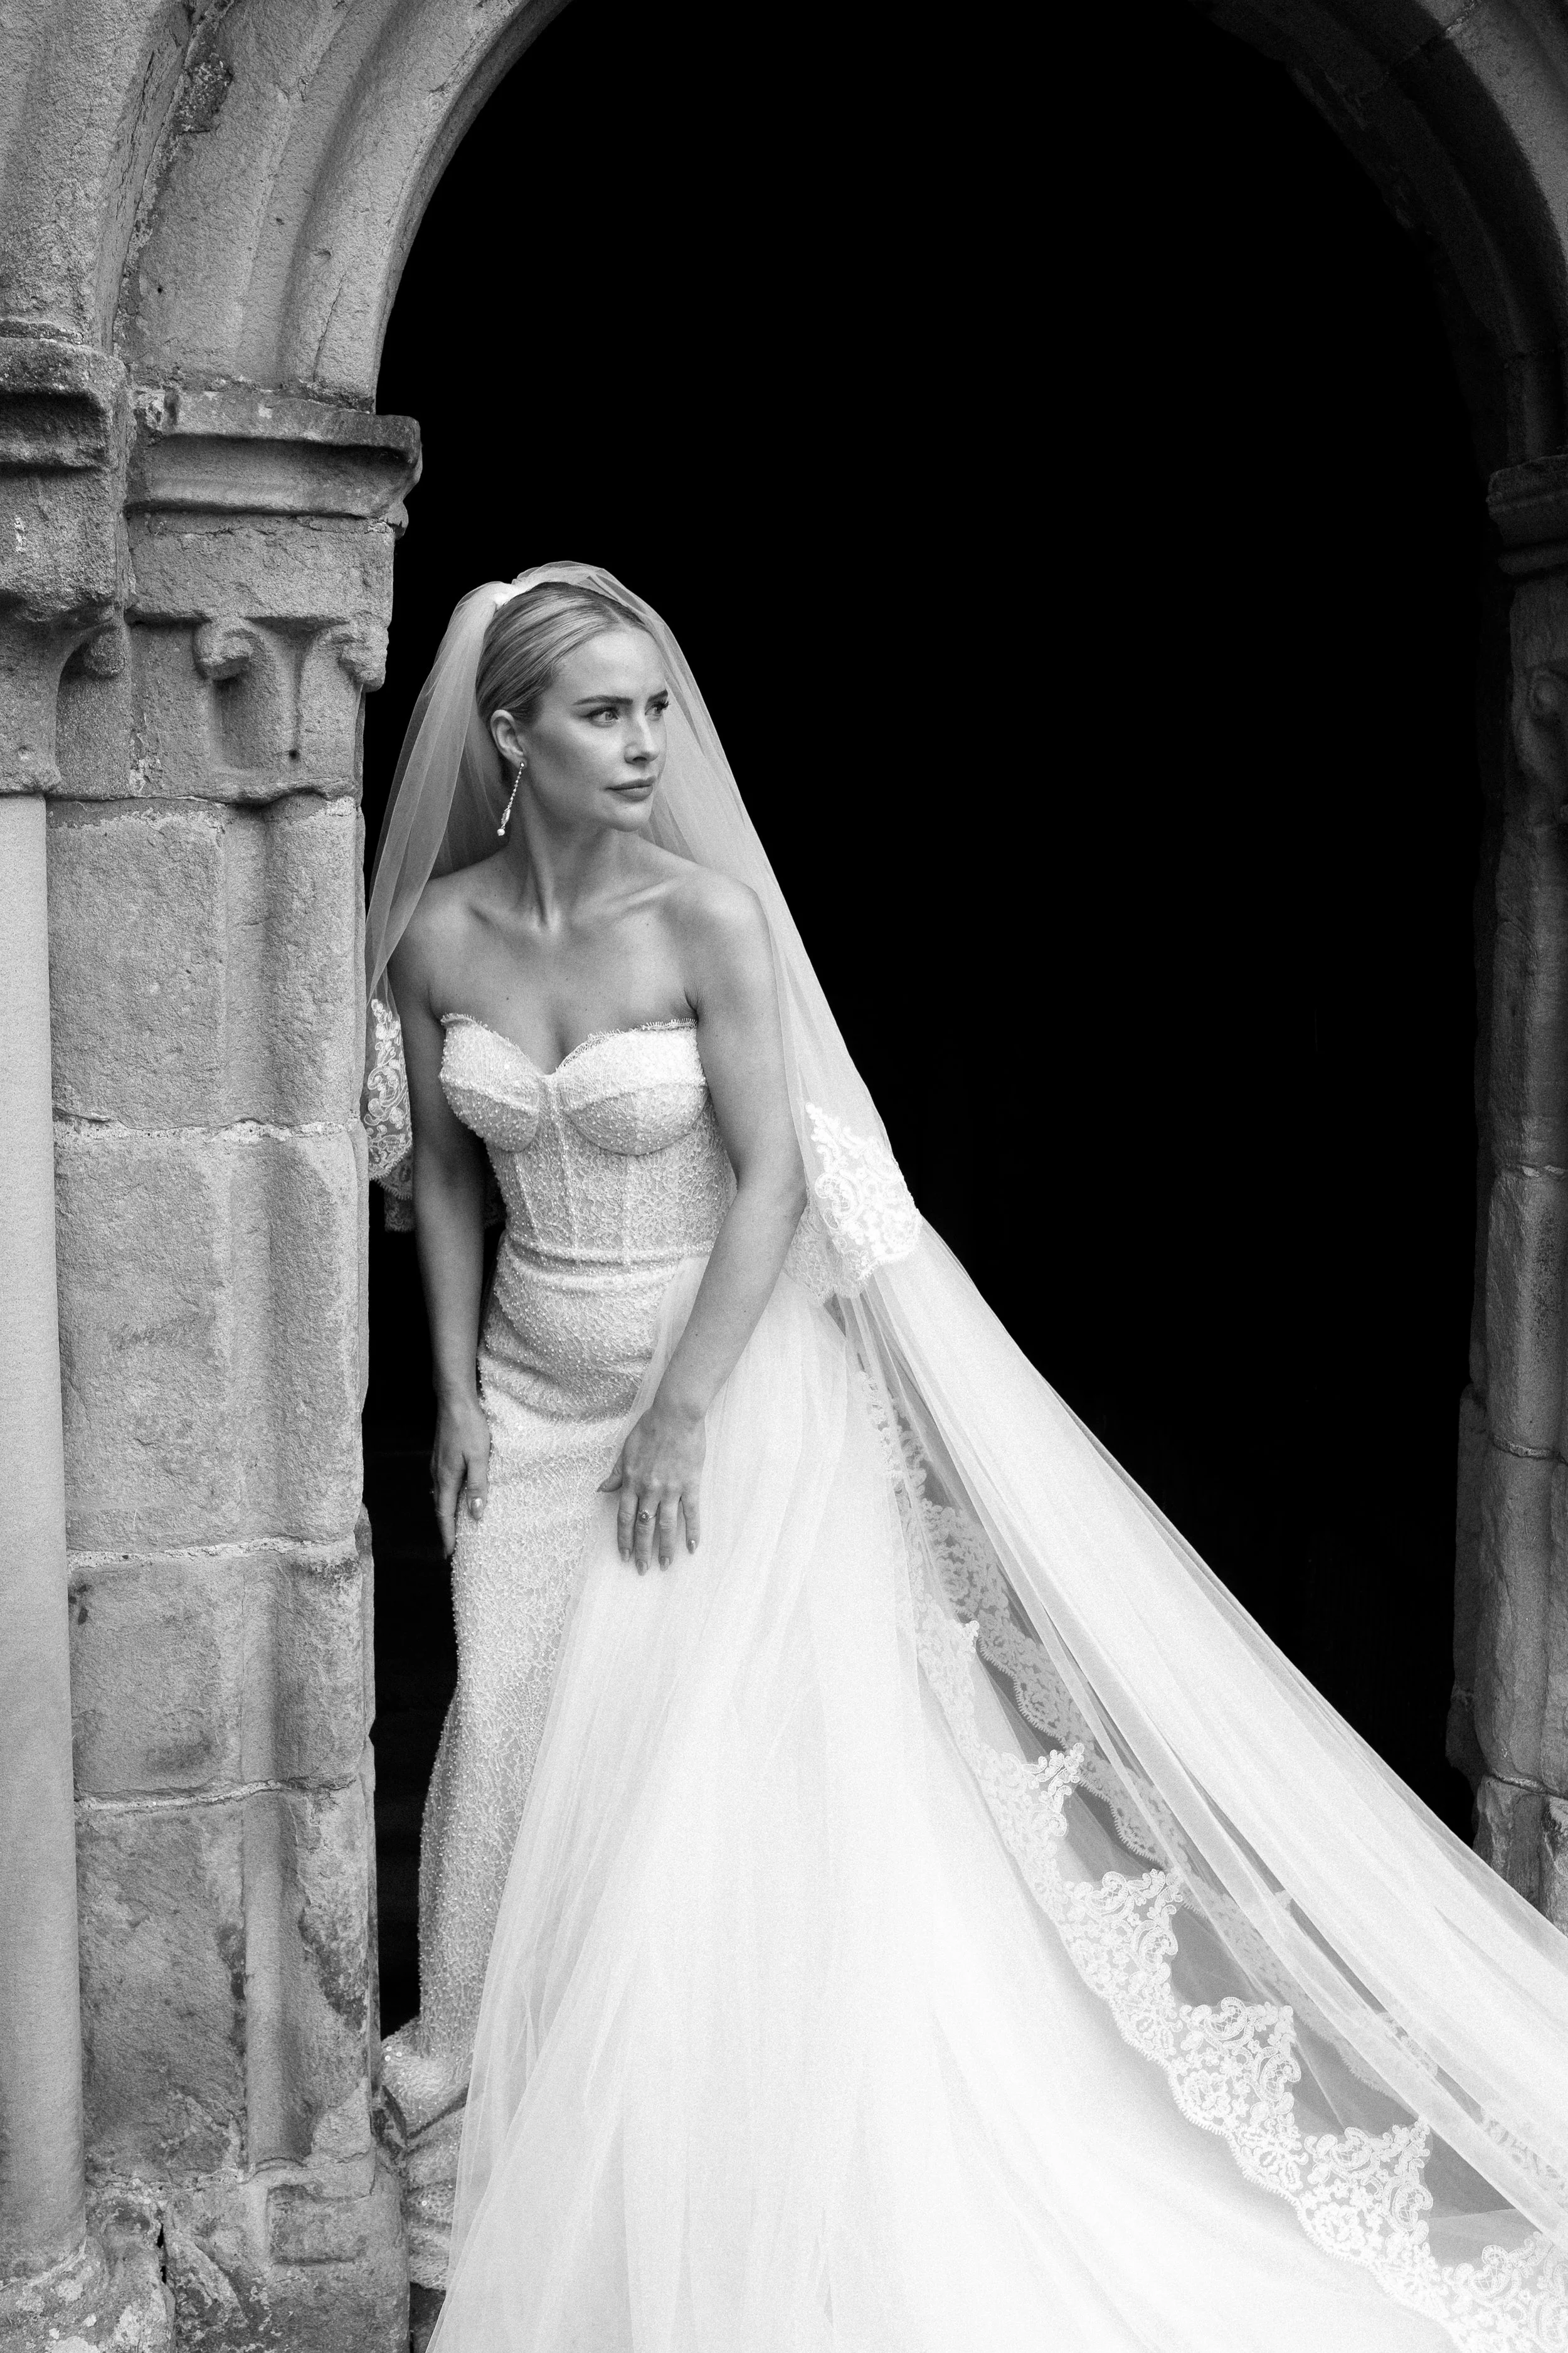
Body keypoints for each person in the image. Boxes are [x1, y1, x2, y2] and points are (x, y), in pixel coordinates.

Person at [364, 565, 1568, 2351]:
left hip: (726, 1397)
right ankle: (490, 2135)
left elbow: (772, 1178)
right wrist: (459, 1388)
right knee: (518, 1753)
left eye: (653, 707)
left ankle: (695, 2157)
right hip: (536, 1403)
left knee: (695, 1788)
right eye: (603, 712)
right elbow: (452, 1174)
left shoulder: (705, 921)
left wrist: (687, 1407)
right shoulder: (438, 938)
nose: (644, 740)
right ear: (509, 734)